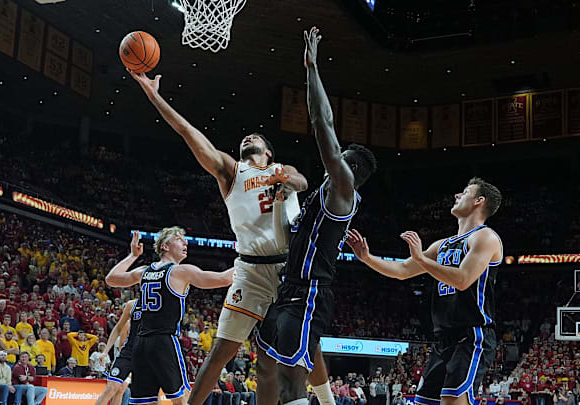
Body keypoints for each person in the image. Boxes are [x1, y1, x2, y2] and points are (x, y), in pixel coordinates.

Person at [129, 64, 309, 405]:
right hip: (251, 271)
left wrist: (285, 179)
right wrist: (155, 97)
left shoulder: (281, 169)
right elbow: (188, 132)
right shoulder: (231, 171)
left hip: (287, 273)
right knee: (220, 352)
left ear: (268, 152)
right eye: (245, 138)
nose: (247, 138)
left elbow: (303, 183)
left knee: (269, 363)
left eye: (255, 138)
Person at [257, 27, 377, 405]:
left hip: (308, 293)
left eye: (341, 156)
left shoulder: (343, 189)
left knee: (292, 381)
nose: (333, 156)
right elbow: (296, 233)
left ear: (349, 167)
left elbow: (322, 122)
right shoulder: (321, 195)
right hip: (289, 288)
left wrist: (312, 68)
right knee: (272, 367)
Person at [346, 177, 503, 405]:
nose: (457, 196)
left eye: (465, 192)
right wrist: (367, 258)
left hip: (472, 334)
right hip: (443, 338)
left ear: (479, 201)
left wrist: (421, 258)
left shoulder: (485, 237)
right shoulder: (442, 245)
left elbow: (463, 279)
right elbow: (401, 270)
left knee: (452, 400)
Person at [105, 227, 235, 404]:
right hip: (164, 341)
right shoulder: (180, 271)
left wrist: (133, 256)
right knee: (182, 399)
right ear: (165, 246)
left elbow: (111, 279)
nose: (185, 242)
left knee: (146, 401)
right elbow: (224, 279)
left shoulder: (144, 271)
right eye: (179, 239)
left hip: (141, 344)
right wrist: (248, 260)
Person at [95, 299, 138, 405]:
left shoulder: (160, 308)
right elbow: (121, 342)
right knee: (115, 388)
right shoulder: (130, 313)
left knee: (150, 393)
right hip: (127, 353)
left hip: (147, 355)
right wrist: (105, 352)